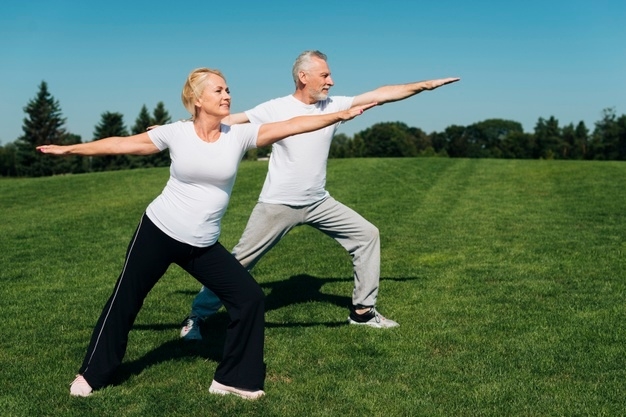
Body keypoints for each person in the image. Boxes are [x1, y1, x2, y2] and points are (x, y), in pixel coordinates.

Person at [37, 67, 375, 400]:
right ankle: (92, 374)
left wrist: (340, 115)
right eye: (218, 90)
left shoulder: (238, 134)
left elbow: (292, 125)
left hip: (201, 244)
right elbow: (121, 144)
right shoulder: (176, 133)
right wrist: (68, 150)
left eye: (228, 90)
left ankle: (233, 380)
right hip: (159, 231)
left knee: (250, 299)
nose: (227, 95)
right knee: (126, 300)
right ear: (197, 99)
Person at [180, 50, 460, 340]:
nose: (331, 81)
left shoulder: (333, 105)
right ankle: (197, 316)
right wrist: (175, 129)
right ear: (304, 77)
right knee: (239, 263)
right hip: (278, 204)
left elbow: (382, 93)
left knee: (367, 235)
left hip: (318, 201)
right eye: (324, 75)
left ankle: (363, 312)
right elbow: (227, 121)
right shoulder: (276, 108)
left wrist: (424, 85)